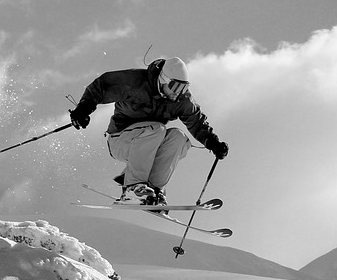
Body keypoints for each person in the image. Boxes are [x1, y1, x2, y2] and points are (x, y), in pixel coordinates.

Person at [69, 57, 229, 206]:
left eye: (183, 88)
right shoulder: (136, 82)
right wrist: (83, 109)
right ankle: (133, 188)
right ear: (163, 79)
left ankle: (153, 191)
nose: (177, 92)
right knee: (156, 129)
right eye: (175, 86)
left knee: (178, 137)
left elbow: (197, 121)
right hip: (121, 140)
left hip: (149, 143)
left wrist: (213, 143)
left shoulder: (181, 99)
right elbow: (102, 86)